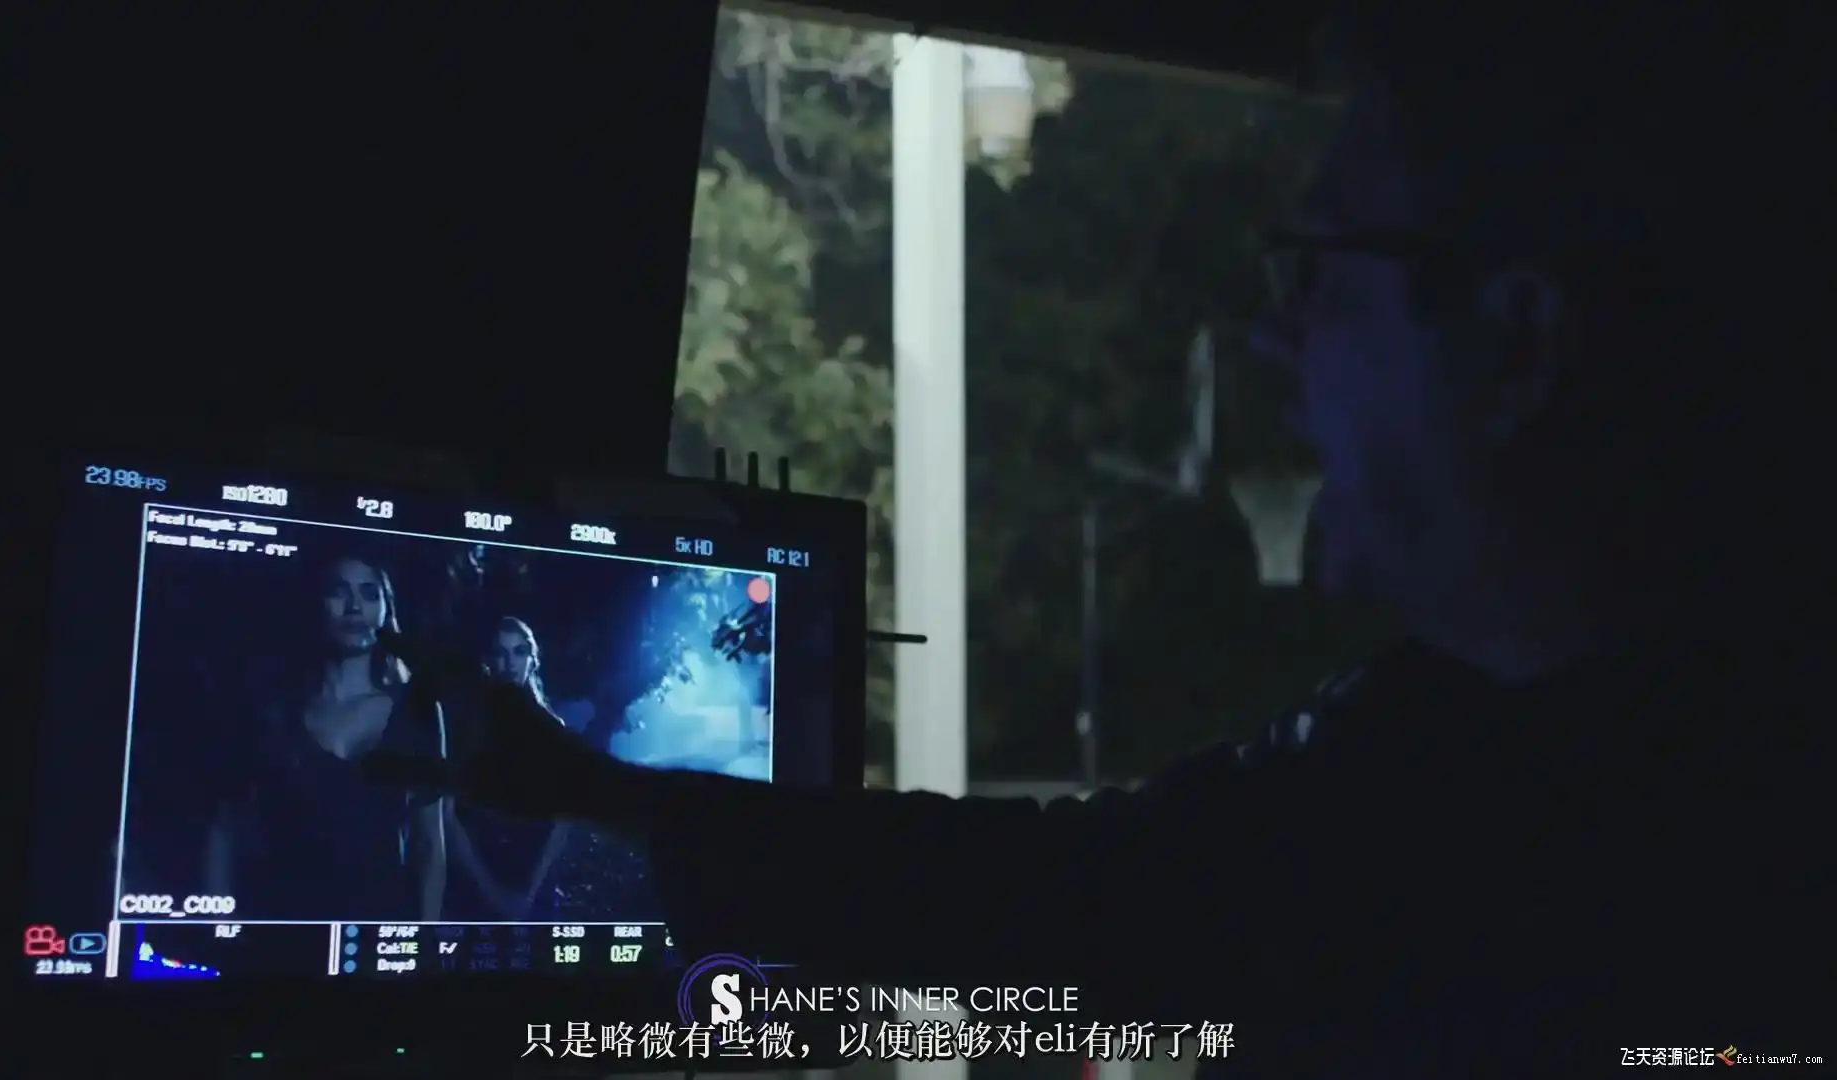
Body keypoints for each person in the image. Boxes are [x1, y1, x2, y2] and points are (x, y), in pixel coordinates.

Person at [369, 6, 1828, 1072]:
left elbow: (1069, 904)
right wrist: (591, 788)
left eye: (1324, 274)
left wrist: (587, 792)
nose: (1277, 341)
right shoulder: (1443, 749)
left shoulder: (1528, 810)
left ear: (1519, 342)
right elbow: (1074, 896)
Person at [209, 554, 447, 922]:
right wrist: (218, 926)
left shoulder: (418, 711)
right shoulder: (276, 706)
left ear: (386, 608)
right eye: (340, 591)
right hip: (281, 927)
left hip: (378, 930)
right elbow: (225, 827)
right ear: (317, 603)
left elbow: (430, 844)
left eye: (369, 593)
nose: (354, 607)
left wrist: (425, 940)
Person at [442, 617, 576, 918]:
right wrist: (491, 891)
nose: (510, 662)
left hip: (533, 888)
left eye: (519, 651)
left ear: (532, 660)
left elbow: (564, 820)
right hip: (472, 885)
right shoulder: (463, 727)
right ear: (488, 659)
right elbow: (446, 816)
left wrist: (528, 894)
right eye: (501, 652)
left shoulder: (552, 730)